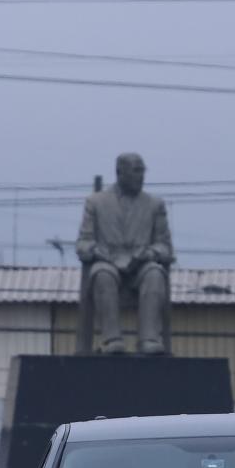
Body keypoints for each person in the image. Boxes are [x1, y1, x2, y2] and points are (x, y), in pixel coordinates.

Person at [76, 152, 174, 354]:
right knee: (102, 274)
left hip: (142, 266)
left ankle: (149, 340)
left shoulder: (155, 204)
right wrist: (97, 251)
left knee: (155, 274)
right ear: (120, 173)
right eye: (136, 171)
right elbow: (83, 243)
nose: (141, 176)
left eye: (143, 171)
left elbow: (165, 246)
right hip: (108, 262)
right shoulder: (96, 202)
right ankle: (112, 340)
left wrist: (150, 253)